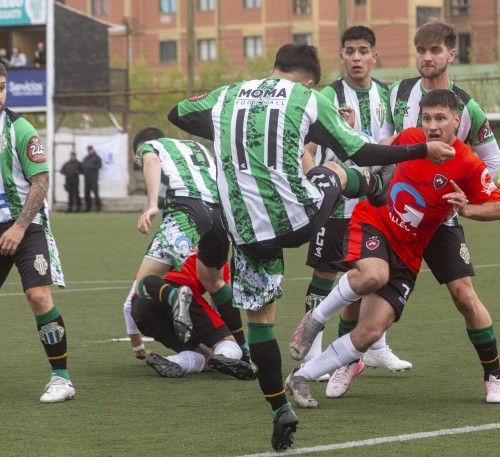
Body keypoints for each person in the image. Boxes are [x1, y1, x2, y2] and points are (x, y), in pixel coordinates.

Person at [168, 43, 454, 451]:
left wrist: (224, 127)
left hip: (247, 233)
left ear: (273, 68)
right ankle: (371, 187)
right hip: (297, 219)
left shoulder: (229, 94)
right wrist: (421, 149)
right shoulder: (308, 97)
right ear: (309, 80)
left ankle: (277, 407)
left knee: (261, 323)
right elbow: (359, 149)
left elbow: (177, 113)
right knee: (334, 168)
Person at [286, 89, 500, 408]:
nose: (432, 126)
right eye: (427, 118)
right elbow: (375, 152)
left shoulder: (467, 164)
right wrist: (350, 143)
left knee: (371, 332)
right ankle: (315, 320)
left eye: (440, 118)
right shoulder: (410, 138)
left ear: (456, 121)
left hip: (409, 251)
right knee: (373, 275)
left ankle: (301, 377)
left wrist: (468, 209)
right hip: (374, 223)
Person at [376, 18, 500, 402]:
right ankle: (348, 363)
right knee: (363, 282)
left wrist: (466, 194)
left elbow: (492, 159)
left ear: (452, 54)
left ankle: (494, 375)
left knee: (463, 293)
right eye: (421, 50)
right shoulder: (399, 93)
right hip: (395, 213)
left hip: (440, 218)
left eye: (435, 50)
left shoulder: (467, 106)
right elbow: (382, 141)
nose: (427, 57)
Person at [300, 26, 412, 377]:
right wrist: (318, 186)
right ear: (342, 56)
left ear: (374, 55)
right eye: (350, 51)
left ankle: (374, 348)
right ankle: (311, 355)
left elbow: (393, 144)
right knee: (324, 273)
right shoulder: (326, 97)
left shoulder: (389, 95)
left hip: (376, 203)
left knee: (374, 274)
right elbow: (306, 149)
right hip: (335, 204)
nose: (357, 58)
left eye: (364, 51)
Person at [122, 127, 235, 362]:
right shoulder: (197, 147)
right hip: (220, 213)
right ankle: (241, 348)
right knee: (215, 282)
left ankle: (175, 298)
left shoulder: (149, 147)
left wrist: (152, 204)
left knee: (142, 287)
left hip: (187, 211)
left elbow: (151, 160)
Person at [0, 63, 74, 403]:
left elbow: (40, 183)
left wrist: (18, 225)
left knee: (38, 297)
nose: (0, 93)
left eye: (2, 86)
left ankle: (61, 379)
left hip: (25, 227)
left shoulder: (20, 128)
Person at [132, 252, 255, 380]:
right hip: (180, 293)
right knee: (226, 346)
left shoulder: (162, 250)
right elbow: (221, 300)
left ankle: (173, 361)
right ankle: (224, 355)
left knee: (198, 353)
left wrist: (137, 347)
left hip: (140, 307)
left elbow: (128, 305)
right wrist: (239, 343)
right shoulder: (212, 254)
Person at [82, 145, 102, 212]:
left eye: (90, 150)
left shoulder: (97, 158)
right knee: (86, 194)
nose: (89, 151)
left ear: (93, 150)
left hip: (93, 178)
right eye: (88, 150)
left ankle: (98, 207)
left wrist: (92, 166)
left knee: (95, 193)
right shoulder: (86, 158)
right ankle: (88, 207)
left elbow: (99, 165)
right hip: (87, 178)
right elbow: (83, 166)